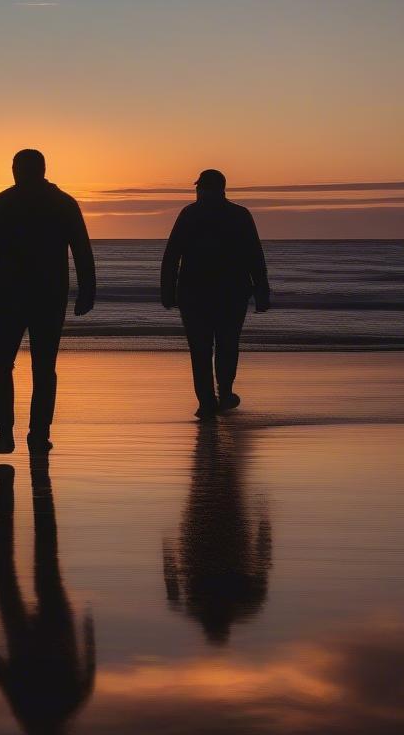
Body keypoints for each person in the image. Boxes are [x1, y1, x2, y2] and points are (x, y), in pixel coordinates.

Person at [0, 149, 95, 455]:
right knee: (43, 367)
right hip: (49, 295)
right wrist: (87, 291)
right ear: (43, 170)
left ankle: (5, 433)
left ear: (15, 170)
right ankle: (37, 434)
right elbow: (83, 252)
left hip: (9, 295)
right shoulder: (63, 203)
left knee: (0, 365)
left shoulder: (2, 203)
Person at [0, 459, 96, 734]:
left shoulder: (67, 705)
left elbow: (89, 672)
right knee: (7, 569)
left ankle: (34, 482)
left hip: (52, 633)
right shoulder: (30, 711)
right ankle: (9, 489)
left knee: (44, 560)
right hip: (29, 639)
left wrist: (87, 627)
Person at [160, 169, 270, 419]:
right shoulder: (238, 215)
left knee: (203, 349)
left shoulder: (191, 214)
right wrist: (261, 291)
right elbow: (255, 256)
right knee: (225, 345)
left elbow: (171, 255)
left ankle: (210, 400)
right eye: (199, 188)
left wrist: (168, 290)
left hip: (200, 293)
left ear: (216, 189)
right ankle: (221, 394)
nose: (199, 192)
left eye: (202, 188)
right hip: (227, 293)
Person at [163, 423, 272, 644]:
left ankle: (213, 428)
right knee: (217, 479)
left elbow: (263, 565)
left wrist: (264, 527)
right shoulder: (242, 604)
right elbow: (262, 565)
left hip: (207, 538)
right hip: (217, 536)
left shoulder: (201, 606)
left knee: (212, 479)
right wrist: (264, 527)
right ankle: (218, 428)